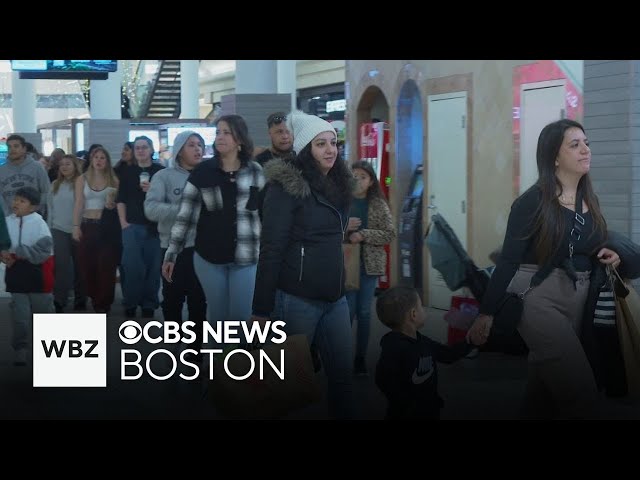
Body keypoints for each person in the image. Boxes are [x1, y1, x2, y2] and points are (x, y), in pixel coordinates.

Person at [468, 118, 621, 419]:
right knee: (581, 392)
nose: (585, 150)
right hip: (538, 297)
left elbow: (591, 245)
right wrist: (485, 313)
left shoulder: (588, 199)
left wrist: (611, 253)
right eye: (574, 145)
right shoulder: (531, 202)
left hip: (577, 296)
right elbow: (509, 260)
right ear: (554, 156)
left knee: (544, 392)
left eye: (586, 143)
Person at [251, 111, 355, 419]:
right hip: (296, 299)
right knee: (290, 389)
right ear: (306, 149)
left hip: (335, 298)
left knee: (342, 380)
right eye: (320, 143)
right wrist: (261, 309)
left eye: (333, 142)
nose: (330, 150)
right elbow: (271, 249)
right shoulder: (285, 189)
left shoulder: (338, 185)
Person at [163, 115, 264, 352]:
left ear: (239, 138)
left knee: (240, 321)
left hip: (246, 257)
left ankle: (237, 378)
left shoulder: (256, 172)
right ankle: (215, 379)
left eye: (226, 132)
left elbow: (264, 215)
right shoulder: (203, 172)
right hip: (209, 258)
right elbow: (185, 216)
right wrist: (171, 254)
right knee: (217, 320)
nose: (220, 137)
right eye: (218, 132)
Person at [146, 131, 207, 362]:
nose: (198, 149)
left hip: (203, 250)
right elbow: (150, 209)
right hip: (173, 249)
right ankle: (172, 346)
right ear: (180, 149)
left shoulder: (209, 175)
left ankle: (195, 352)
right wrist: (183, 211)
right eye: (191, 145)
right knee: (172, 300)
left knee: (199, 301)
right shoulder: (164, 176)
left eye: (200, 144)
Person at [375, 286, 474, 419]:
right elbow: (383, 380)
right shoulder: (394, 349)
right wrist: (408, 405)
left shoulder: (422, 341)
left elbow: (448, 355)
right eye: (421, 305)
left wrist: (471, 341)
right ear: (414, 314)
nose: (423, 309)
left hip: (429, 410)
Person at [345, 160, 396, 375]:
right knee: (346, 311)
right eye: (354, 175)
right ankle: (340, 355)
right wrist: (345, 227)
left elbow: (389, 233)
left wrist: (364, 234)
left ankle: (360, 358)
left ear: (371, 181)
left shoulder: (378, 204)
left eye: (363, 177)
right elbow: (325, 228)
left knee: (364, 312)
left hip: (369, 265)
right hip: (346, 264)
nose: (358, 180)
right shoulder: (342, 202)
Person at [2, 186, 55, 366]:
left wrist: (17, 252)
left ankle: (50, 348)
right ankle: (20, 348)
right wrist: (4, 255)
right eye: (16, 199)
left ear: (33, 207)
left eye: (22, 201)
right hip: (16, 276)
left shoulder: (39, 224)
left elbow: (44, 251)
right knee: (20, 316)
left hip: (38, 277)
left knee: (43, 314)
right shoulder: (7, 221)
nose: (16, 203)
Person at [117, 136, 165, 318]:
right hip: (132, 225)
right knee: (131, 268)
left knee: (153, 268)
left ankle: (149, 304)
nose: (141, 151)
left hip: (155, 227)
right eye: (137, 148)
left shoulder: (161, 172)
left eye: (144, 147)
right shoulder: (128, 172)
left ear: (151, 150)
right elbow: (121, 199)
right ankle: (130, 302)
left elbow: (168, 198)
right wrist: (123, 223)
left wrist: (153, 189)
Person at [72, 147, 121, 314]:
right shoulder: (82, 179)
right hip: (87, 224)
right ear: (91, 160)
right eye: (96, 157)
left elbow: (119, 204)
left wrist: (113, 205)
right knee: (88, 265)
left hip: (107, 227)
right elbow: (79, 203)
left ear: (107, 161)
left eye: (102, 158)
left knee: (107, 266)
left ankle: (104, 303)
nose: (99, 160)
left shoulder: (114, 179)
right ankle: (94, 297)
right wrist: (76, 226)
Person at [47, 155, 86, 312]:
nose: (64, 167)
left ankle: (81, 299)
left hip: (79, 230)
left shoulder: (82, 183)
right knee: (61, 267)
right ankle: (59, 299)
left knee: (80, 267)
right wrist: (49, 229)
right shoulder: (55, 185)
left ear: (75, 165)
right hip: (58, 229)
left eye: (67, 164)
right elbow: (50, 209)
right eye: (61, 164)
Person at [0, 135, 51, 219]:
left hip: (33, 217)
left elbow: (46, 191)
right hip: (9, 218)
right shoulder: (1, 170)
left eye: (16, 146)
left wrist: (34, 209)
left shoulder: (37, 167)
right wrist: (8, 214)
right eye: (9, 147)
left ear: (24, 149)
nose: (12, 149)